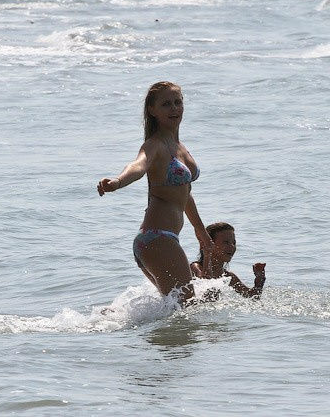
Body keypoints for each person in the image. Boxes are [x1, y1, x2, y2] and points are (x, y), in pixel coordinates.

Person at [97, 81, 214, 304]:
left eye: (178, 103)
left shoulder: (180, 147)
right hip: (157, 239)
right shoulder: (155, 145)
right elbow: (138, 166)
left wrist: (200, 230)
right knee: (187, 309)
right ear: (152, 110)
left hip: (161, 241)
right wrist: (117, 182)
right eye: (166, 104)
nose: (174, 109)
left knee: (177, 311)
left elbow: (184, 194)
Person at [190, 222, 266, 299]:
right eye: (226, 242)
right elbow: (206, 282)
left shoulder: (228, 276)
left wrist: (259, 280)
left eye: (234, 243)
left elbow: (252, 297)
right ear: (209, 244)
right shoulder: (195, 267)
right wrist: (207, 255)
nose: (232, 247)